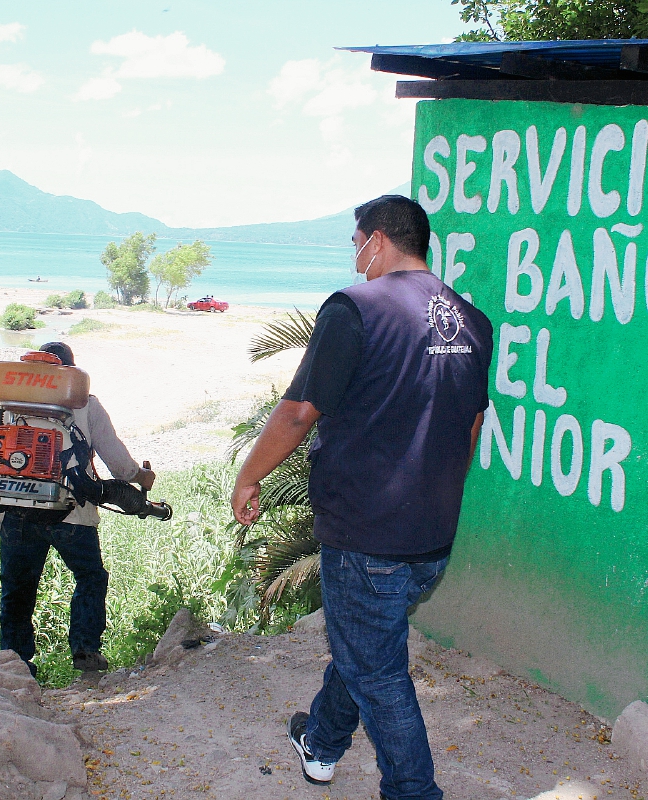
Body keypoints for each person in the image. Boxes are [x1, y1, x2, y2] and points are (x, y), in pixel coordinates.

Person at [231, 196, 493, 800]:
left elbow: (299, 413)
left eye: (357, 246)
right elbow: (471, 424)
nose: (355, 261)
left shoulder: (356, 310)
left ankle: (412, 791)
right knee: (364, 643)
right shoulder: (471, 320)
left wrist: (250, 476)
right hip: (433, 535)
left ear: (378, 240)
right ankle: (321, 745)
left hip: (366, 532)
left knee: (378, 672)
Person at [0, 341, 155, 676]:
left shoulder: (10, 403)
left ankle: (15, 666)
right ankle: (85, 648)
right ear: (71, 372)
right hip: (72, 512)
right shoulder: (85, 403)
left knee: (17, 590)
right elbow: (117, 462)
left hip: (15, 511)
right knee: (90, 576)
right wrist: (142, 477)